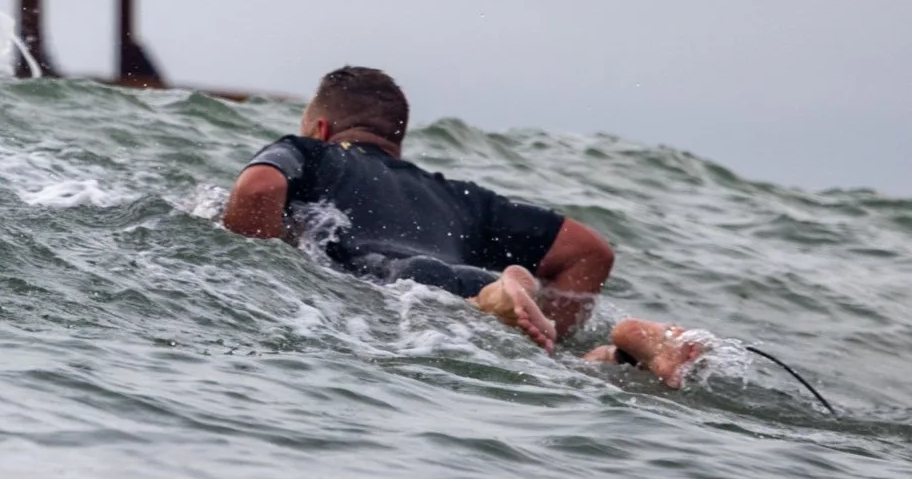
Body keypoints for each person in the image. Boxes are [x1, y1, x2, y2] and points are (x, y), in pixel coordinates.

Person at [220, 67, 711, 386]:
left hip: (397, 281)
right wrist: (550, 333)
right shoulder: (461, 198)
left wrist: (262, 264)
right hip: (471, 283)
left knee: (483, 312)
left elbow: (259, 186)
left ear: (322, 129)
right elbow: (590, 252)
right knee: (558, 367)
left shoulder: (313, 154)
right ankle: (621, 348)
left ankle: (507, 299)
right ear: (397, 139)